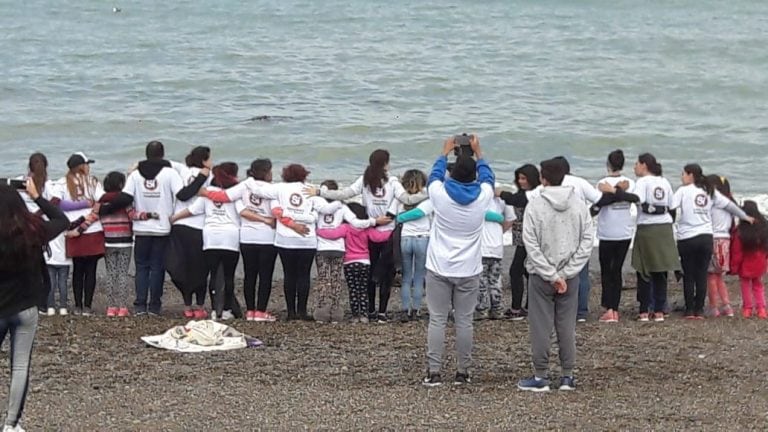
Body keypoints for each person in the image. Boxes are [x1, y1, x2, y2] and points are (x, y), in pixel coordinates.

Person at [305, 149, 427, 322]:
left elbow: (343, 194)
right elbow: (407, 200)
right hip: (389, 234)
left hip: (370, 230)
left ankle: (370, 311)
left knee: (371, 273)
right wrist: (431, 192)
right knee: (387, 274)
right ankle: (382, 313)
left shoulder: (365, 181)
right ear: (386, 164)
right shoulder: (392, 182)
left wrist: (320, 192)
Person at [421, 135, 494, 387]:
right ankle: (463, 372)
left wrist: (443, 152)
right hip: (468, 268)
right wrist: (479, 152)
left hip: (439, 265)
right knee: (464, 321)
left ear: (452, 174)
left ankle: (434, 371)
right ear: (473, 176)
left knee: (438, 319)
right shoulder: (483, 196)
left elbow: (433, 176)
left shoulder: (440, 194)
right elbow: (489, 178)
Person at [517, 158, 594, 392]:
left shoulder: (536, 205)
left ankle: (541, 376)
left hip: (542, 275)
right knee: (566, 325)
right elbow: (587, 241)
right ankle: (567, 376)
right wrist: (566, 272)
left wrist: (551, 273)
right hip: (568, 275)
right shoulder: (579, 205)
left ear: (543, 178)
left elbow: (530, 242)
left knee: (541, 325)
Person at [0, 179, 69, 432]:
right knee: (19, 366)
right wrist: (37, 196)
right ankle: (11, 424)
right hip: (25, 307)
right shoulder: (33, 229)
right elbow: (63, 220)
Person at [108, 141, 184, 315]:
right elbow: (181, 194)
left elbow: (125, 197)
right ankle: (155, 306)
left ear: (146, 154)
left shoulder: (135, 175)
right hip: (162, 228)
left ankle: (140, 305)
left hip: (141, 228)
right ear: (162, 154)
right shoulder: (170, 173)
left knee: (141, 267)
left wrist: (105, 208)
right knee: (157, 267)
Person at [671, 163, 752, 319]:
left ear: (690, 175)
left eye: (683, 174)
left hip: (687, 237)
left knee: (689, 274)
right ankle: (699, 310)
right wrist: (745, 216)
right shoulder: (709, 191)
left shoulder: (683, 191)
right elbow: (729, 205)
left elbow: (671, 206)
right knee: (702, 274)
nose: (681, 177)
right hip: (706, 237)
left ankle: (689, 310)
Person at [271, 164, 344, 321]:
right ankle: (302, 311)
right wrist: (340, 201)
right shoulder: (310, 190)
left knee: (289, 275)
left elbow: (275, 210)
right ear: (304, 175)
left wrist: (292, 219)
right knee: (304, 275)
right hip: (307, 240)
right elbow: (326, 209)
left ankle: (291, 312)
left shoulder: (279, 189)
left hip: (285, 239)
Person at [172, 163, 241, 320]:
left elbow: (192, 210)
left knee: (214, 274)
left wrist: (174, 218)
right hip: (230, 237)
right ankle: (227, 310)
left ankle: (215, 310)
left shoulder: (207, 193)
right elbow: (243, 212)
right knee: (229, 276)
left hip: (211, 237)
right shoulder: (236, 192)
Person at [316, 203, 393, 323]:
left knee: (353, 290)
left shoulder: (346, 228)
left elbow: (332, 234)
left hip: (349, 262)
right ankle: (364, 315)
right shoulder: (367, 229)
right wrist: (392, 230)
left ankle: (355, 315)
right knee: (363, 289)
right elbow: (379, 237)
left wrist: (318, 230)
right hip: (364, 262)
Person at [98, 172, 157, 317]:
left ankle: (111, 307)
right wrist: (149, 215)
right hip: (125, 242)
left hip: (108, 242)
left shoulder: (102, 202)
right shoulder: (125, 202)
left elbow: (94, 217)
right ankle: (123, 307)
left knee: (111, 274)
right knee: (123, 274)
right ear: (121, 185)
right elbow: (133, 216)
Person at [630, 153, 679, 322]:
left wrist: (616, 193)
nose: (634, 167)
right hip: (664, 227)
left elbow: (640, 202)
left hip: (647, 227)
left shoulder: (642, 182)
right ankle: (659, 310)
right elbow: (671, 207)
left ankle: (644, 310)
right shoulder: (664, 181)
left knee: (644, 269)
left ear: (644, 165)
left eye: (636, 164)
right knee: (661, 269)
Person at [167, 146, 213, 319]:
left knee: (182, 266)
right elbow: (202, 203)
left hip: (179, 226)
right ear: (204, 160)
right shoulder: (210, 175)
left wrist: (135, 167)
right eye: (209, 158)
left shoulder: (181, 170)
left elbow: (164, 162)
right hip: (199, 227)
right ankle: (200, 306)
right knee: (201, 268)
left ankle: (187, 305)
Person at [59, 152, 104, 316]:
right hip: (92, 230)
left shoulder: (63, 183)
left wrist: (77, 226)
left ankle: (77, 306)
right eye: (87, 164)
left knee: (77, 270)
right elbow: (100, 202)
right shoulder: (92, 182)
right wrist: (86, 217)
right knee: (90, 270)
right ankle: (87, 306)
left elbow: (60, 205)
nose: (89, 167)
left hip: (72, 231)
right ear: (82, 166)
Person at [594, 150, 637, 323]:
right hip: (624, 232)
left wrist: (611, 191)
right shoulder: (630, 183)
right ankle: (614, 308)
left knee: (607, 271)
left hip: (607, 232)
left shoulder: (602, 182)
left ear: (608, 164)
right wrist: (618, 190)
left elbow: (598, 202)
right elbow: (625, 196)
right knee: (616, 270)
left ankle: (609, 307)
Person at [236, 159, 279, 322]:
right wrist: (266, 220)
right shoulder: (272, 190)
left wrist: (258, 217)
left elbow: (242, 210)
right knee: (265, 276)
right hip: (267, 238)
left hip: (247, 237)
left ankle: (250, 311)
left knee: (250, 274)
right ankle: (261, 311)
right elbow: (276, 212)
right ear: (266, 172)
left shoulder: (243, 188)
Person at [503, 164, 540, 321]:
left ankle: (517, 308)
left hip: (530, 239)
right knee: (527, 271)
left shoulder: (533, 195)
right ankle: (529, 306)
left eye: (524, 178)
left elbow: (515, 199)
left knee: (516, 271)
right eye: (519, 178)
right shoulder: (523, 193)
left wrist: (501, 193)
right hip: (521, 238)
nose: (521, 181)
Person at [396, 169, 430, 322]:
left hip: (405, 238)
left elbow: (396, 217)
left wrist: (400, 218)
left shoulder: (401, 200)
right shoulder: (428, 199)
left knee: (406, 277)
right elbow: (427, 216)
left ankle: (405, 309)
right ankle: (415, 310)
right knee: (419, 276)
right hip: (422, 237)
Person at [475, 197, 516, 320]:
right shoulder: (502, 198)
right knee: (495, 279)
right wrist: (499, 230)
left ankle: (482, 309)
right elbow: (511, 219)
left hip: (481, 245)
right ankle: (496, 308)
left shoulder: (478, 195)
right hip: (496, 245)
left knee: (480, 280)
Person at [705, 175, 737, 317]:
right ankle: (726, 305)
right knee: (719, 276)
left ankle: (713, 306)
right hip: (725, 240)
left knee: (711, 275)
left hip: (714, 239)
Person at [730, 201, 768, 319]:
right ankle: (761, 309)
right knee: (758, 285)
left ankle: (747, 308)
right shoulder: (764, 228)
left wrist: (733, 267)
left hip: (745, 264)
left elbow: (737, 252)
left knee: (745, 285)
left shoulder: (740, 231)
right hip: (760, 262)